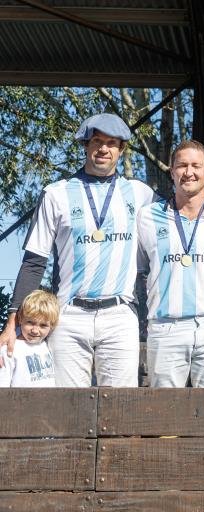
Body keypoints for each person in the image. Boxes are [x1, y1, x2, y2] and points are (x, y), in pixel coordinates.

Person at [0, 114, 154, 387]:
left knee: (121, 408)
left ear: (121, 149)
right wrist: (11, 322)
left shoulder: (140, 192)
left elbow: (183, 212)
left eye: (111, 143)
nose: (103, 149)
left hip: (119, 314)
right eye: (97, 141)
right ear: (85, 144)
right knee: (67, 409)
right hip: (69, 314)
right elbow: (34, 261)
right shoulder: (55, 193)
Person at [136, 140, 204, 387]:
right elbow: (138, 270)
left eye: (196, 165)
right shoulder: (147, 217)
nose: (189, 172)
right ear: (172, 171)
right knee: (163, 415)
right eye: (182, 165)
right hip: (165, 326)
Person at [0, 290, 59, 387]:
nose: (35, 330)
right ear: (20, 319)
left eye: (43, 325)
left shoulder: (47, 345)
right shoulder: (9, 350)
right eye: (30, 322)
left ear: (52, 326)